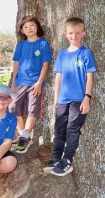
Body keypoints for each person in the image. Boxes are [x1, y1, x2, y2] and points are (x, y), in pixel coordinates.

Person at [43, 17, 96, 176]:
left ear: (83, 34)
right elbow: (58, 78)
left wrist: (87, 97)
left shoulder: (85, 53)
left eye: (78, 33)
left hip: (78, 100)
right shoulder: (62, 55)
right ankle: (56, 158)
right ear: (66, 34)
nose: (74, 36)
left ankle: (67, 161)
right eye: (71, 33)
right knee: (59, 130)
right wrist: (55, 99)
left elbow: (90, 77)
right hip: (62, 100)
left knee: (72, 130)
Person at [9, 15, 52, 154]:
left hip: (35, 83)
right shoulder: (21, 45)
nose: (29, 28)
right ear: (22, 30)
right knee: (13, 107)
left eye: (32, 25)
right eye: (25, 27)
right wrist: (14, 82)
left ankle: (25, 137)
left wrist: (39, 83)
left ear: (37, 26)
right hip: (20, 82)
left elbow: (45, 65)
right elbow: (16, 64)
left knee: (32, 110)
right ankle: (23, 135)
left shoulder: (43, 44)